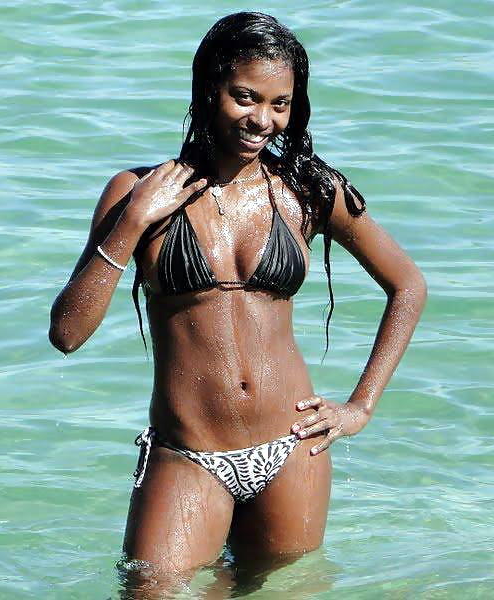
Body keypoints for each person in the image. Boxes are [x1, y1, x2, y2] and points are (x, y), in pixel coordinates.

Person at [49, 10, 426, 593]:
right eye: (245, 97)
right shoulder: (137, 190)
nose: (262, 120)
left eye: (280, 104)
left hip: (294, 447)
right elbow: (67, 334)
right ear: (208, 89)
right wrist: (132, 223)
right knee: (149, 589)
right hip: (189, 455)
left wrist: (359, 407)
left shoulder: (308, 190)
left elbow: (407, 286)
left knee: (283, 589)